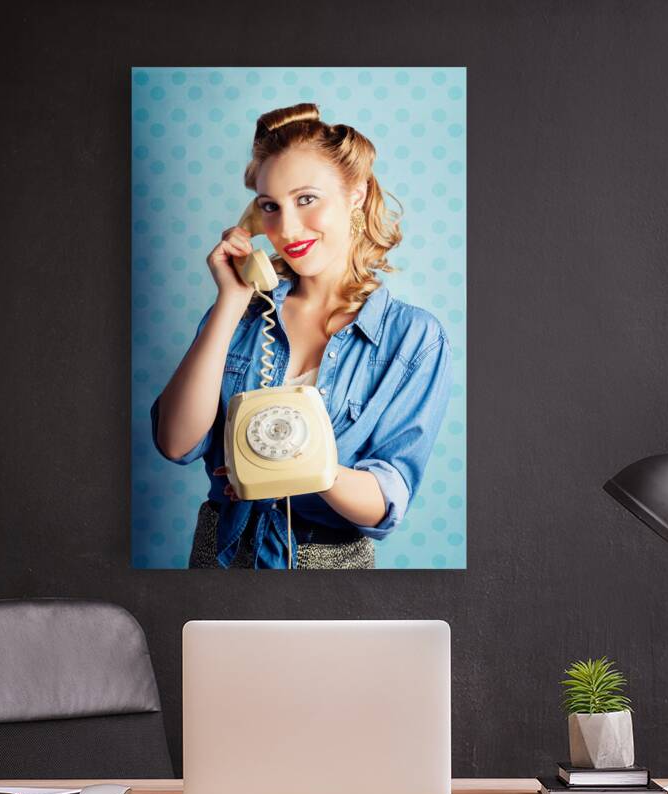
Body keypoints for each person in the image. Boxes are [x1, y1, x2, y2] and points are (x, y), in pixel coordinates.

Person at [151, 103, 452, 569]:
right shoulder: (244, 316)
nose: (286, 230)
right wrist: (231, 300)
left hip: (329, 563)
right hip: (222, 554)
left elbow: (387, 501)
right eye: (270, 207)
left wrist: (299, 467)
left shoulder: (414, 339)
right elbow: (175, 442)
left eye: (306, 199)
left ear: (356, 193)